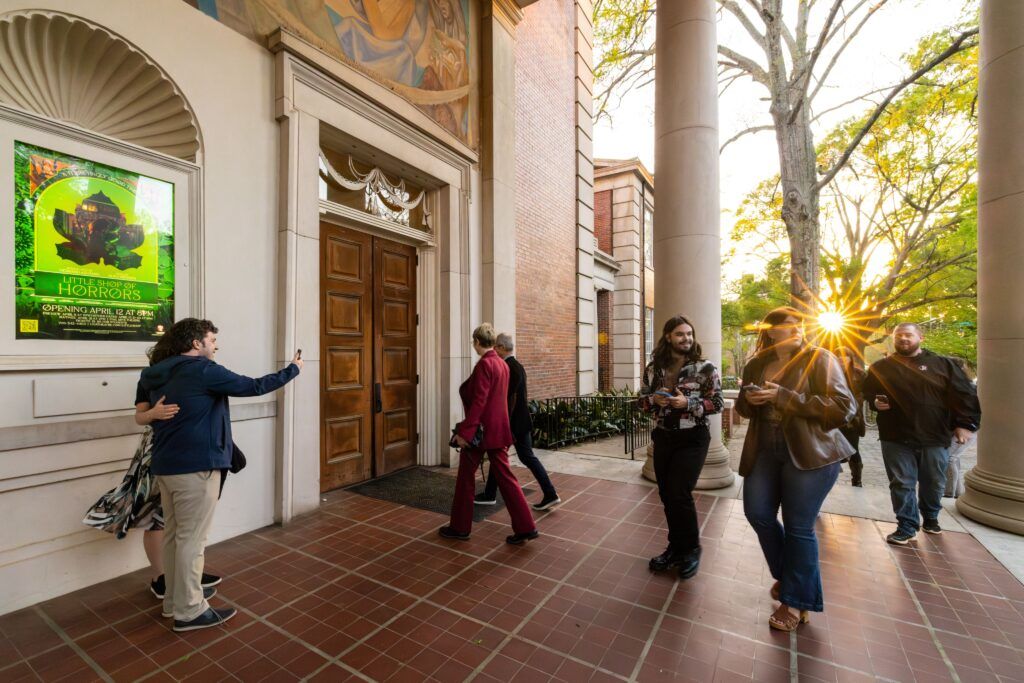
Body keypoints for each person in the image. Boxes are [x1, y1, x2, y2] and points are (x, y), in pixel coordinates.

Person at [138, 318, 301, 632]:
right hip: (197, 466)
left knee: (175, 536)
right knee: (191, 541)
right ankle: (190, 610)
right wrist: (293, 368)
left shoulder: (152, 372)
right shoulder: (203, 370)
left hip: (166, 465)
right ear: (196, 343)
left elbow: (142, 414)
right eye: (212, 340)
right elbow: (254, 386)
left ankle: (175, 600)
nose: (215, 345)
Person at [735, 306, 855, 632]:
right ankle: (790, 579)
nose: (796, 330)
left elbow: (844, 408)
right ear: (770, 330)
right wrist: (752, 400)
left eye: (799, 325)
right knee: (757, 513)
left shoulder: (819, 359)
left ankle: (796, 601)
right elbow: (743, 408)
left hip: (809, 453)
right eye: (788, 326)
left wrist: (785, 397)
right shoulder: (757, 363)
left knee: (799, 527)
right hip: (765, 449)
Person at [863, 323, 981, 544]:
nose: (903, 339)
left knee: (933, 481)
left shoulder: (943, 365)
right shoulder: (881, 367)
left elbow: (964, 395)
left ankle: (931, 516)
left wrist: (964, 424)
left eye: (908, 335)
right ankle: (906, 525)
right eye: (899, 335)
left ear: (920, 338)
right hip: (895, 435)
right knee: (901, 482)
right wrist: (874, 402)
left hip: (934, 435)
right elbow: (868, 392)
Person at [639, 315, 723, 579]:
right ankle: (675, 548)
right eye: (680, 334)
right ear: (668, 337)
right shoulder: (654, 368)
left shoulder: (705, 368)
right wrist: (654, 400)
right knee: (666, 494)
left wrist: (687, 404)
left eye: (689, 334)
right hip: (664, 437)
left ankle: (691, 550)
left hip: (693, 438)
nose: (686, 338)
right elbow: (641, 402)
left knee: (679, 493)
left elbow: (718, 403)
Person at [440, 323, 538, 545]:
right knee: (507, 479)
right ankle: (526, 527)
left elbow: (479, 402)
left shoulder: (485, 365)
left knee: (466, 479)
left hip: (480, 434)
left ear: (476, 342)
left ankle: (460, 527)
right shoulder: (502, 364)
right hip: (498, 431)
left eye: (473, 342)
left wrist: (465, 432)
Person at [473, 333, 560, 511]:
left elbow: (506, 399)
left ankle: (550, 493)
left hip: (514, 424)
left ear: (503, 348)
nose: (494, 349)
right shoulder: (514, 366)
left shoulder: (510, 368)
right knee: (501, 457)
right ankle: (490, 494)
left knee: (521, 457)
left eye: (496, 346)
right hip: (518, 422)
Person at [835, 346, 867, 487]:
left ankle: (857, 479)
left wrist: (853, 401)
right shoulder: (829, 373)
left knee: (853, 449)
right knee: (832, 448)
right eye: (838, 357)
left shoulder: (859, 374)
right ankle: (830, 478)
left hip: (852, 419)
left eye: (844, 356)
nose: (842, 360)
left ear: (850, 358)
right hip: (833, 417)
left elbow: (866, 394)